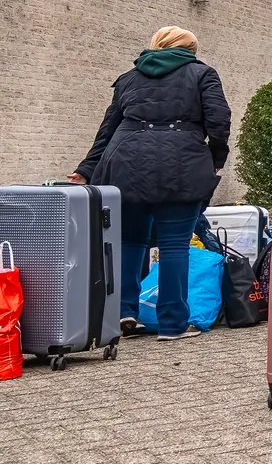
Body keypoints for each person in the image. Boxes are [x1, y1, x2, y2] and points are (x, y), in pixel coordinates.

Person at [68, 27, 231, 341]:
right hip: (181, 165)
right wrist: (215, 158)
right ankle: (172, 324)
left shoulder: (128, 78)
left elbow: (107, 130)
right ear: (189, 50)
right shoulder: (202, 74)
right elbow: (219, 121)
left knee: (129, 241)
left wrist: (86, 169)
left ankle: (123, 313)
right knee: (174, 245)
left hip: (124, 164)